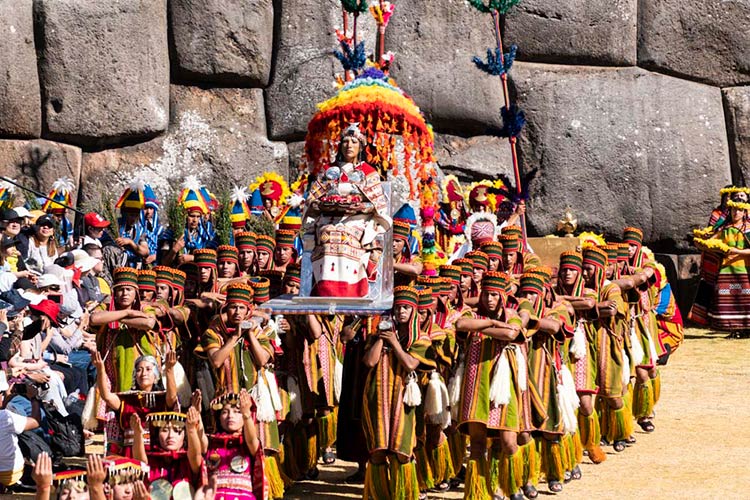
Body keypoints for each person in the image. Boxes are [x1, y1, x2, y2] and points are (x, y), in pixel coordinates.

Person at [455, 271, 524, 500]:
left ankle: (513, 487)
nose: (489, 300)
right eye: (486, 294)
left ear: (502, 296)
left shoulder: (513, 314)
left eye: (494, 295)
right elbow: (462, 323)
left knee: (508, 442)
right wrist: (493, 322)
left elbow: (512, 333)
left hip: (503, 388)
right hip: (476, 386)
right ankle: (478, 493)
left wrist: (482, 327)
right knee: (476, 443)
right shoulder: (470, 313)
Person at [362, 286, 434, 500]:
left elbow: (410, 364)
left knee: (402, 451)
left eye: (406, 308)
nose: (401, 312)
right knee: (378, 450)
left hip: (404, 401)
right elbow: (369, 361)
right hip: (377, 398)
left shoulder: (421, 338)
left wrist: (394, 343)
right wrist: (383, 338)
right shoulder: (378, 334)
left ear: (414, 311)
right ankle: (379, 494)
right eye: (397, 308)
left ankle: (404, 494)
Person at [304, 123, 391, 298]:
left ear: (361, 147)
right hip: (328, 219)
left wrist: (360, 206)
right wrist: (321, 205)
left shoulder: (368, 172)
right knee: (327, 234)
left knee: (344, 235)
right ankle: (325, 290)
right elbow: (312, 200)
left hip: (358, 220)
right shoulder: (329, 171)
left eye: (354, 142)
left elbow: (378, 205)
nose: (349, 145)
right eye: (345, 141)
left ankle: (351, 290)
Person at [205, 391, 265, 500]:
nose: (230, 416)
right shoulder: (211, 443)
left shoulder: (247, 443)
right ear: (218, 418)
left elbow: (252, 441)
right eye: (225, 412)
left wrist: (246, 414)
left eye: (237, 412)